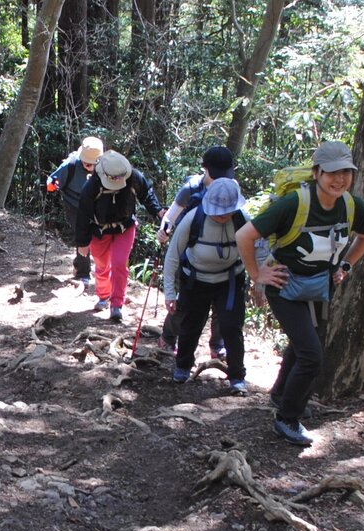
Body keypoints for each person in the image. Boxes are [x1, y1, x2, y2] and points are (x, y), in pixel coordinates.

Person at [236, 141, 364, 446]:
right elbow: (244, 234)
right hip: (284, 284)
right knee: (312, 355)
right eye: (332, 173)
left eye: (345, 173)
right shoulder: (293, 204)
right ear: (317, 173)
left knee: (304, 347)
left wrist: (346, 266)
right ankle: (287, 418)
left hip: (320, 286)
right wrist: (257, 274)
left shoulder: (353, 206)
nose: (339, 179)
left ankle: (282, 395)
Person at [163, 177, 249, 395]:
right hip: (195, 280)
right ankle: (183, 366)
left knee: (231, 327)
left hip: (230, 281)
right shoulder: (194, 219)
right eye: (218, 210)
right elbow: (173, 254)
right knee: (191, 325)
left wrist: (260, 285)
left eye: (227, 210)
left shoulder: (242, 220)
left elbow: (259, 249)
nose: (222, 214)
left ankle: (237, 375)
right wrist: (170, 293)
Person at [156, 146, 235, 358]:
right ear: (205, 169)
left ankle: (216, 346)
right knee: (184, 303)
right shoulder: (191, 188)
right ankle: (168, 337)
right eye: (216, 175)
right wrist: (164, 231)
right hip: (189, 251)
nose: (220, 180)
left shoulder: (231, 188)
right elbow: (170, 217)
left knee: (221, 306)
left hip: (223, 254)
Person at [75, 150, 165, 321]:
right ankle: (103, 296)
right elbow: (83, 214)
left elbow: (147, 194)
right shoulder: (92, 185)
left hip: (125, 227)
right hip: (99, 230)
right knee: (102, 266)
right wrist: (82, 242)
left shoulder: (134, 177)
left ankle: (117, 304)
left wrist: (159, 211)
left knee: (118, 264)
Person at [47, 136, 104, 285]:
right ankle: (83, 274)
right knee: (82, 234)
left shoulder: (105, 167)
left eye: (91, 163)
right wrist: (52, 185)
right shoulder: (70, 165)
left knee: (97, 236)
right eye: (86, 161)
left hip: (95, 205)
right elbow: (51, 181)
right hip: (74, 205)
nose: (88, 165)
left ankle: (87, 267)